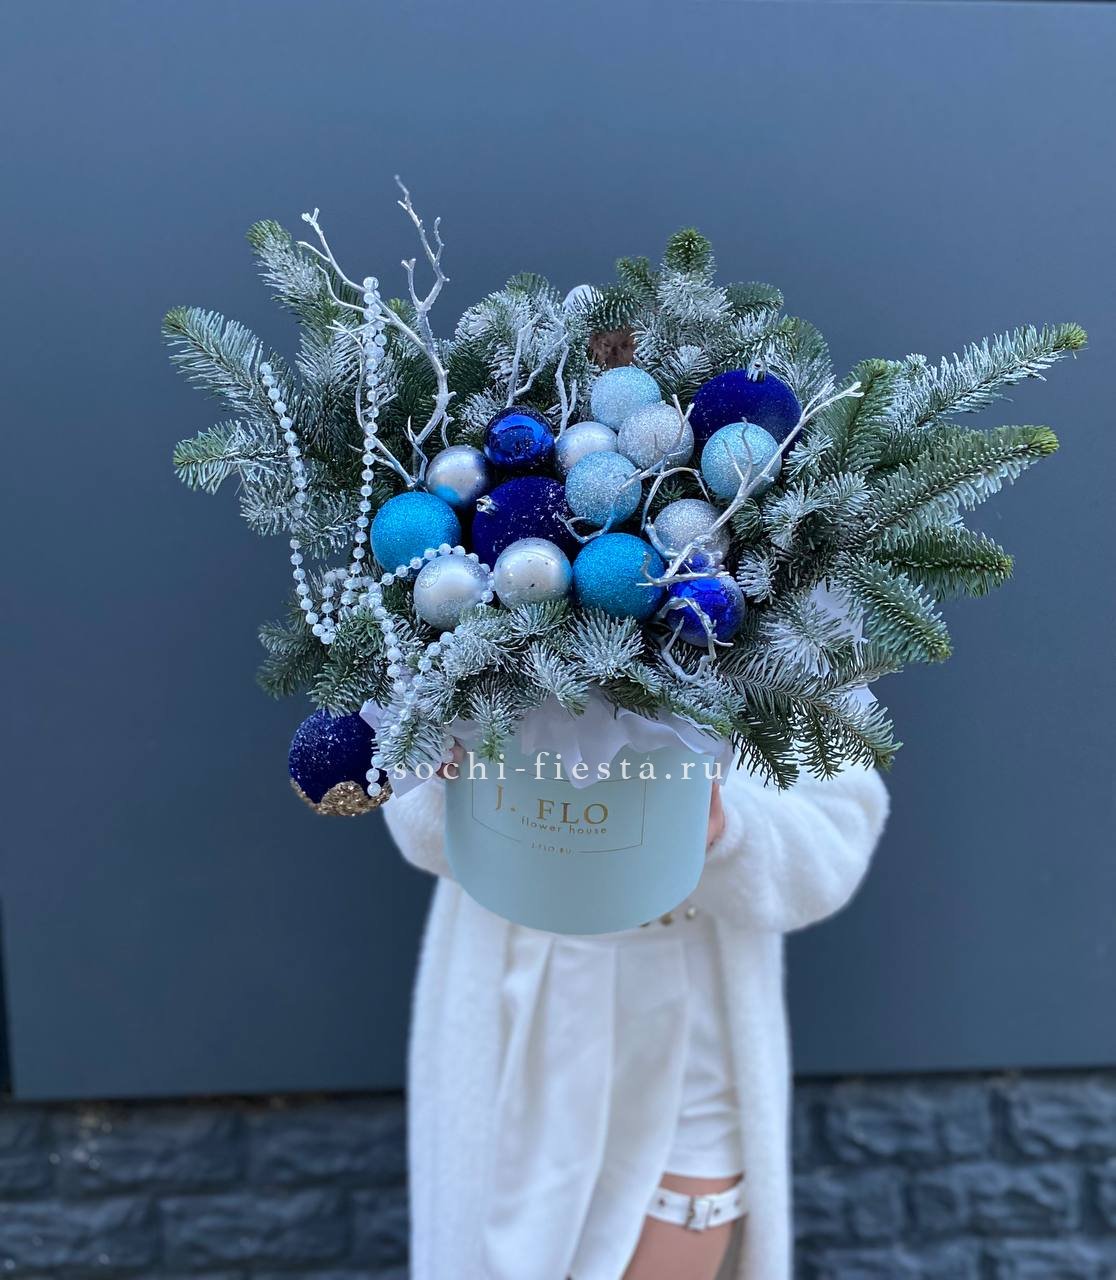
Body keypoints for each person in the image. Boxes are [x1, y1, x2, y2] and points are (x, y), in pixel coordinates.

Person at [384, 752, 888, 1280]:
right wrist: (453, 779)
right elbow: (415, 818)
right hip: (523, 1008)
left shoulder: (789, 690)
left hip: (693, 1021)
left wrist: (724, 829)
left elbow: (836, 833)